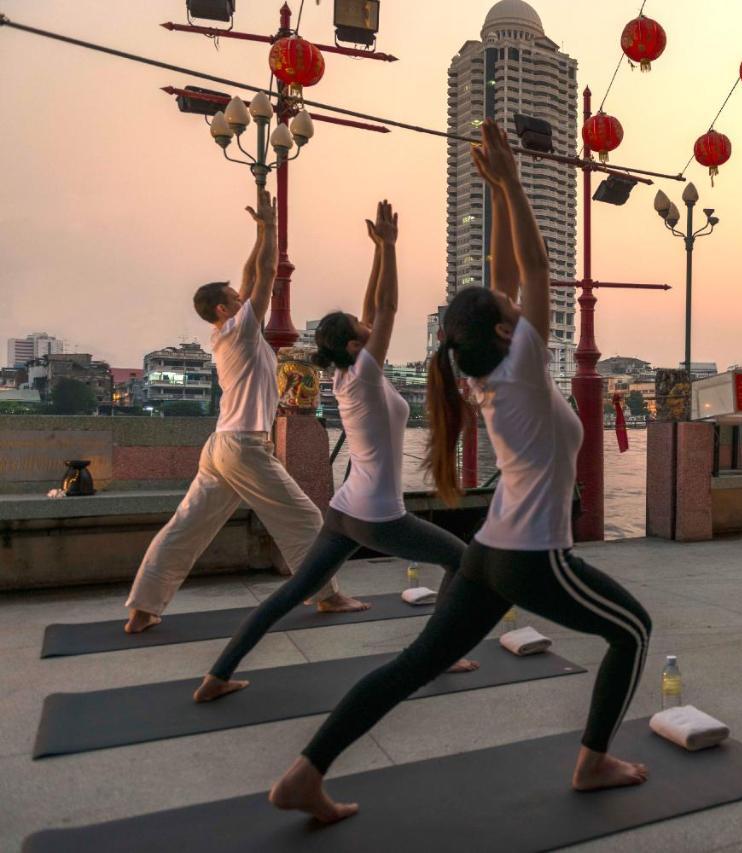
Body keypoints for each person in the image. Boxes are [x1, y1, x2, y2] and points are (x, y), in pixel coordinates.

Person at [267, 120, 652, 823]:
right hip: (533, 555)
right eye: (511, 311)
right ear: (509, 331)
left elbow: (507, 277)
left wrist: (501, 193)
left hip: (486, 553)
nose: (517, 304)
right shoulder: (524, 370)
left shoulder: (481, 371)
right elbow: (533, 270)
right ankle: (593, 760)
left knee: (413, 663)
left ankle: (304, 772)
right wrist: (508, 182)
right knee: (632, 630)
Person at [193, 200, 477, 703]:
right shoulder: (363, 372)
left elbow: (372, 311)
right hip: (376, 515)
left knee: (291, 592)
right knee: (461, 559)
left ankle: (217, 675)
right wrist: (390, 248)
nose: (369, 326)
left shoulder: (352, 373)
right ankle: (440, 653)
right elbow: (386, 310)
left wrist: (377, 252)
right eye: (359, 329)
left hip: (345, 511)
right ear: (353, 346)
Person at [123, 189, 366, 635]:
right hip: (244, 446)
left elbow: (252, 272)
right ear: (224, 308)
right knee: (305, 519)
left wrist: (259, 233)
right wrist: (271, 230)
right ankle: (328, 595)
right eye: (237, 297)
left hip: (220, 447)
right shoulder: (239, 331)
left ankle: (143, 606)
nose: (244, 299)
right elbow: (266, 273)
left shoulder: (228, 335)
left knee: (187, 528)